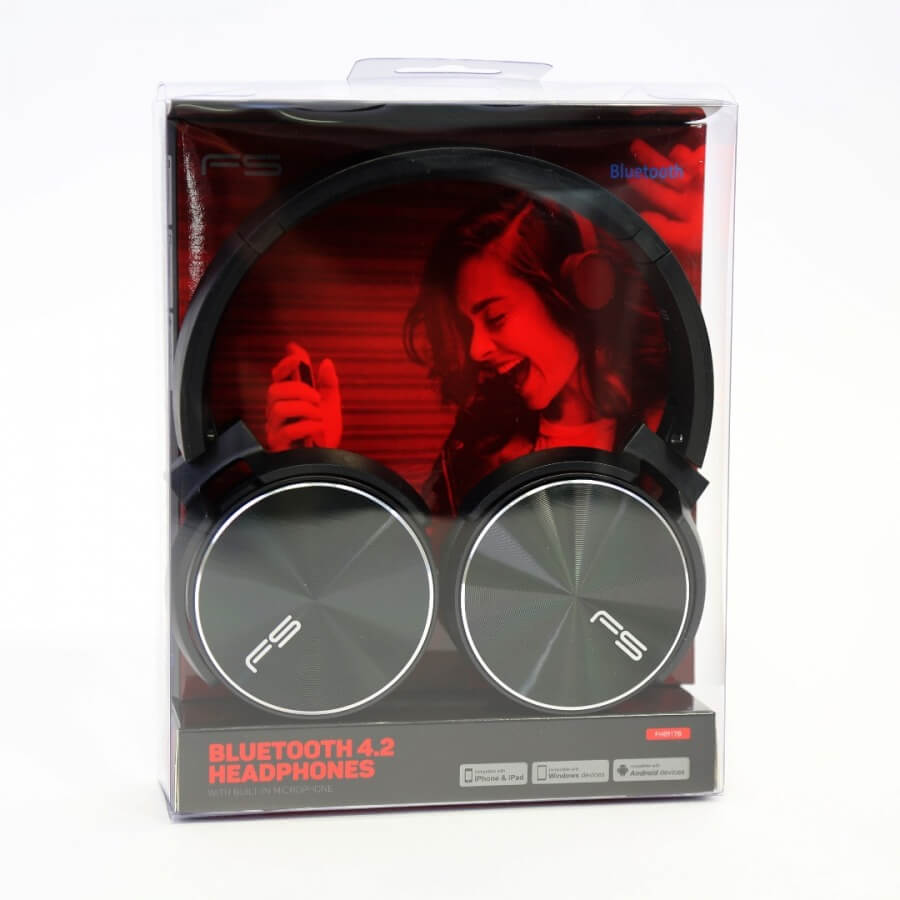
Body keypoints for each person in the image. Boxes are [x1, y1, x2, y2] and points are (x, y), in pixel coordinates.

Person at [266, 141, 701, 515]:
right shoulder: (471, 453)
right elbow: (415, 564)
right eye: (467, 325)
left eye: (495, 317)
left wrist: (703, 256)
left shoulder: (666, 428)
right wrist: (322, 471)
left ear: (576, 292)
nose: (476, 350)